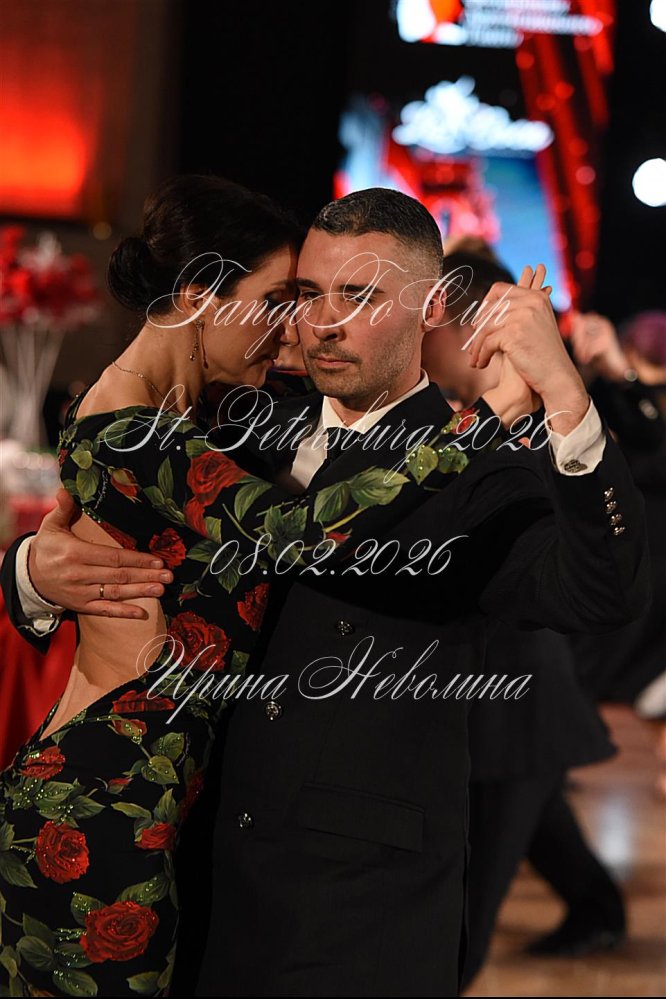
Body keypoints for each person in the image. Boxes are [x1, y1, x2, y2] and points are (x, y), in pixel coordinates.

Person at [1, 188, 650, 998]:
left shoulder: (483, 471)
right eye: (307, 294)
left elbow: (603, 593)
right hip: (182, 870)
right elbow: (112, 505)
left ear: (429, 308)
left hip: (352, 914)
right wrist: (32, 570)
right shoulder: (227, 418)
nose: (323, 323)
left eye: (360, 295)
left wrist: (569, 402)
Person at [422, 250, 626, 984]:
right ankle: (600, 908)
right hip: (493, 707)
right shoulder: (448, 418)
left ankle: (599, 909)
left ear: (469, 327)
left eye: (427, 318)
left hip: (514, 704)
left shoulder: (542, 427)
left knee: (461, 921)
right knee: (530, 826)